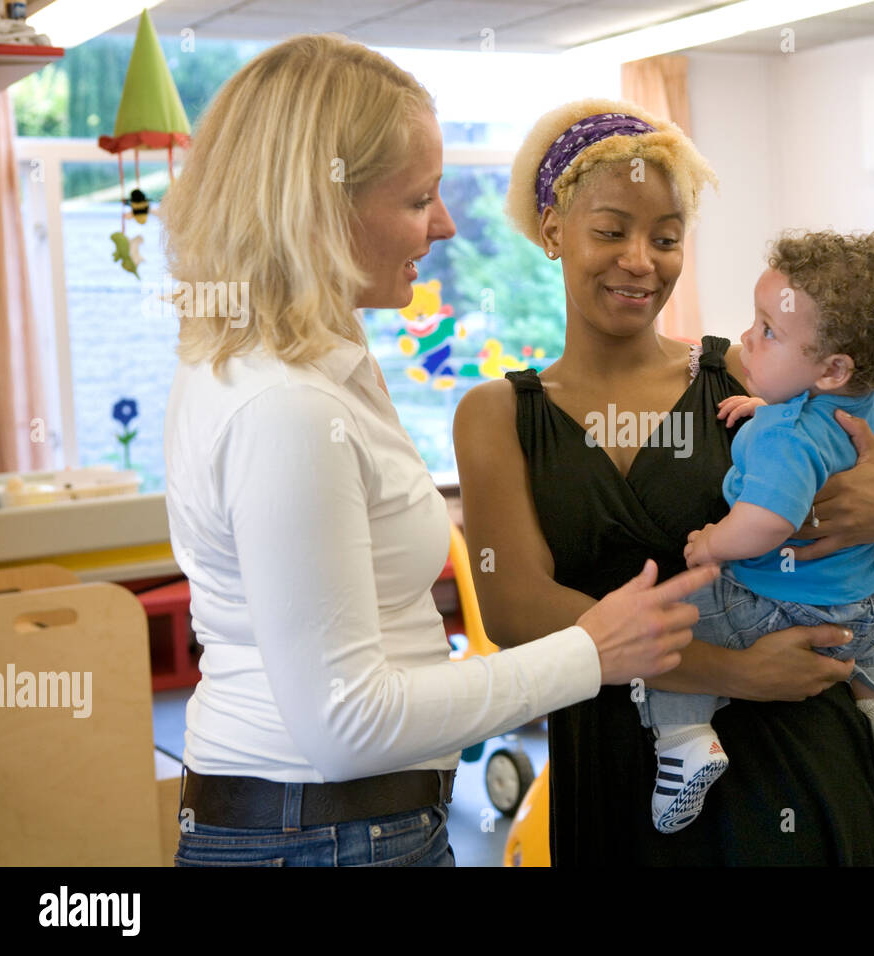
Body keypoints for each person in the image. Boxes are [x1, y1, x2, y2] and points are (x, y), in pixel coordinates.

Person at [159, 37, 716, 868]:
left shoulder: (309, 363)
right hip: (325, 834)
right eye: (420, 199)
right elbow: (350, 724)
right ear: (323, 205)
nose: (448, 224)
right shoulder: (289, 405)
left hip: (332, 826)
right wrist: (593, 650)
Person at [454, 98, 874, 865]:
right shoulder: (497, 415)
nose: (641, 259)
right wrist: (735, 672)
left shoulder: (758, 377)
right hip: (616, 763)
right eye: (611, 230)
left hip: (794, 759)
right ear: (553, 230)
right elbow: (517, 611)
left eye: (667, 237)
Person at [641, 229, 874, 834]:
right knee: (860, 647)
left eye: (768, 330)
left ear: (831, 368)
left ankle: (686, 740)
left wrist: (713, 543)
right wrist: (765, 410)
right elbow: (811, 431)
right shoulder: (866, 404)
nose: (747, 337)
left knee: (678, 609)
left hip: (784, 608)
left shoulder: (784, 435)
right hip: (868, 607)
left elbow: (767, 522)